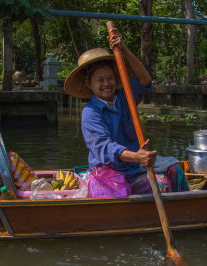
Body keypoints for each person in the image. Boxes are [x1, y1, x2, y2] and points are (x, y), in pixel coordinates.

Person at [64, 27, 189, 194]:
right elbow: (104, 148)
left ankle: (183, 212)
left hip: (136, 166)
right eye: (100, 80)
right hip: (112, 174)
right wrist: (137, 156)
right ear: (89, 84)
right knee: (162, 184)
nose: (106, 84)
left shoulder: (124, 98)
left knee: (177, 172)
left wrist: (124, 49)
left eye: (110, 78)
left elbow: (144, 80)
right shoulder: (90, 112)